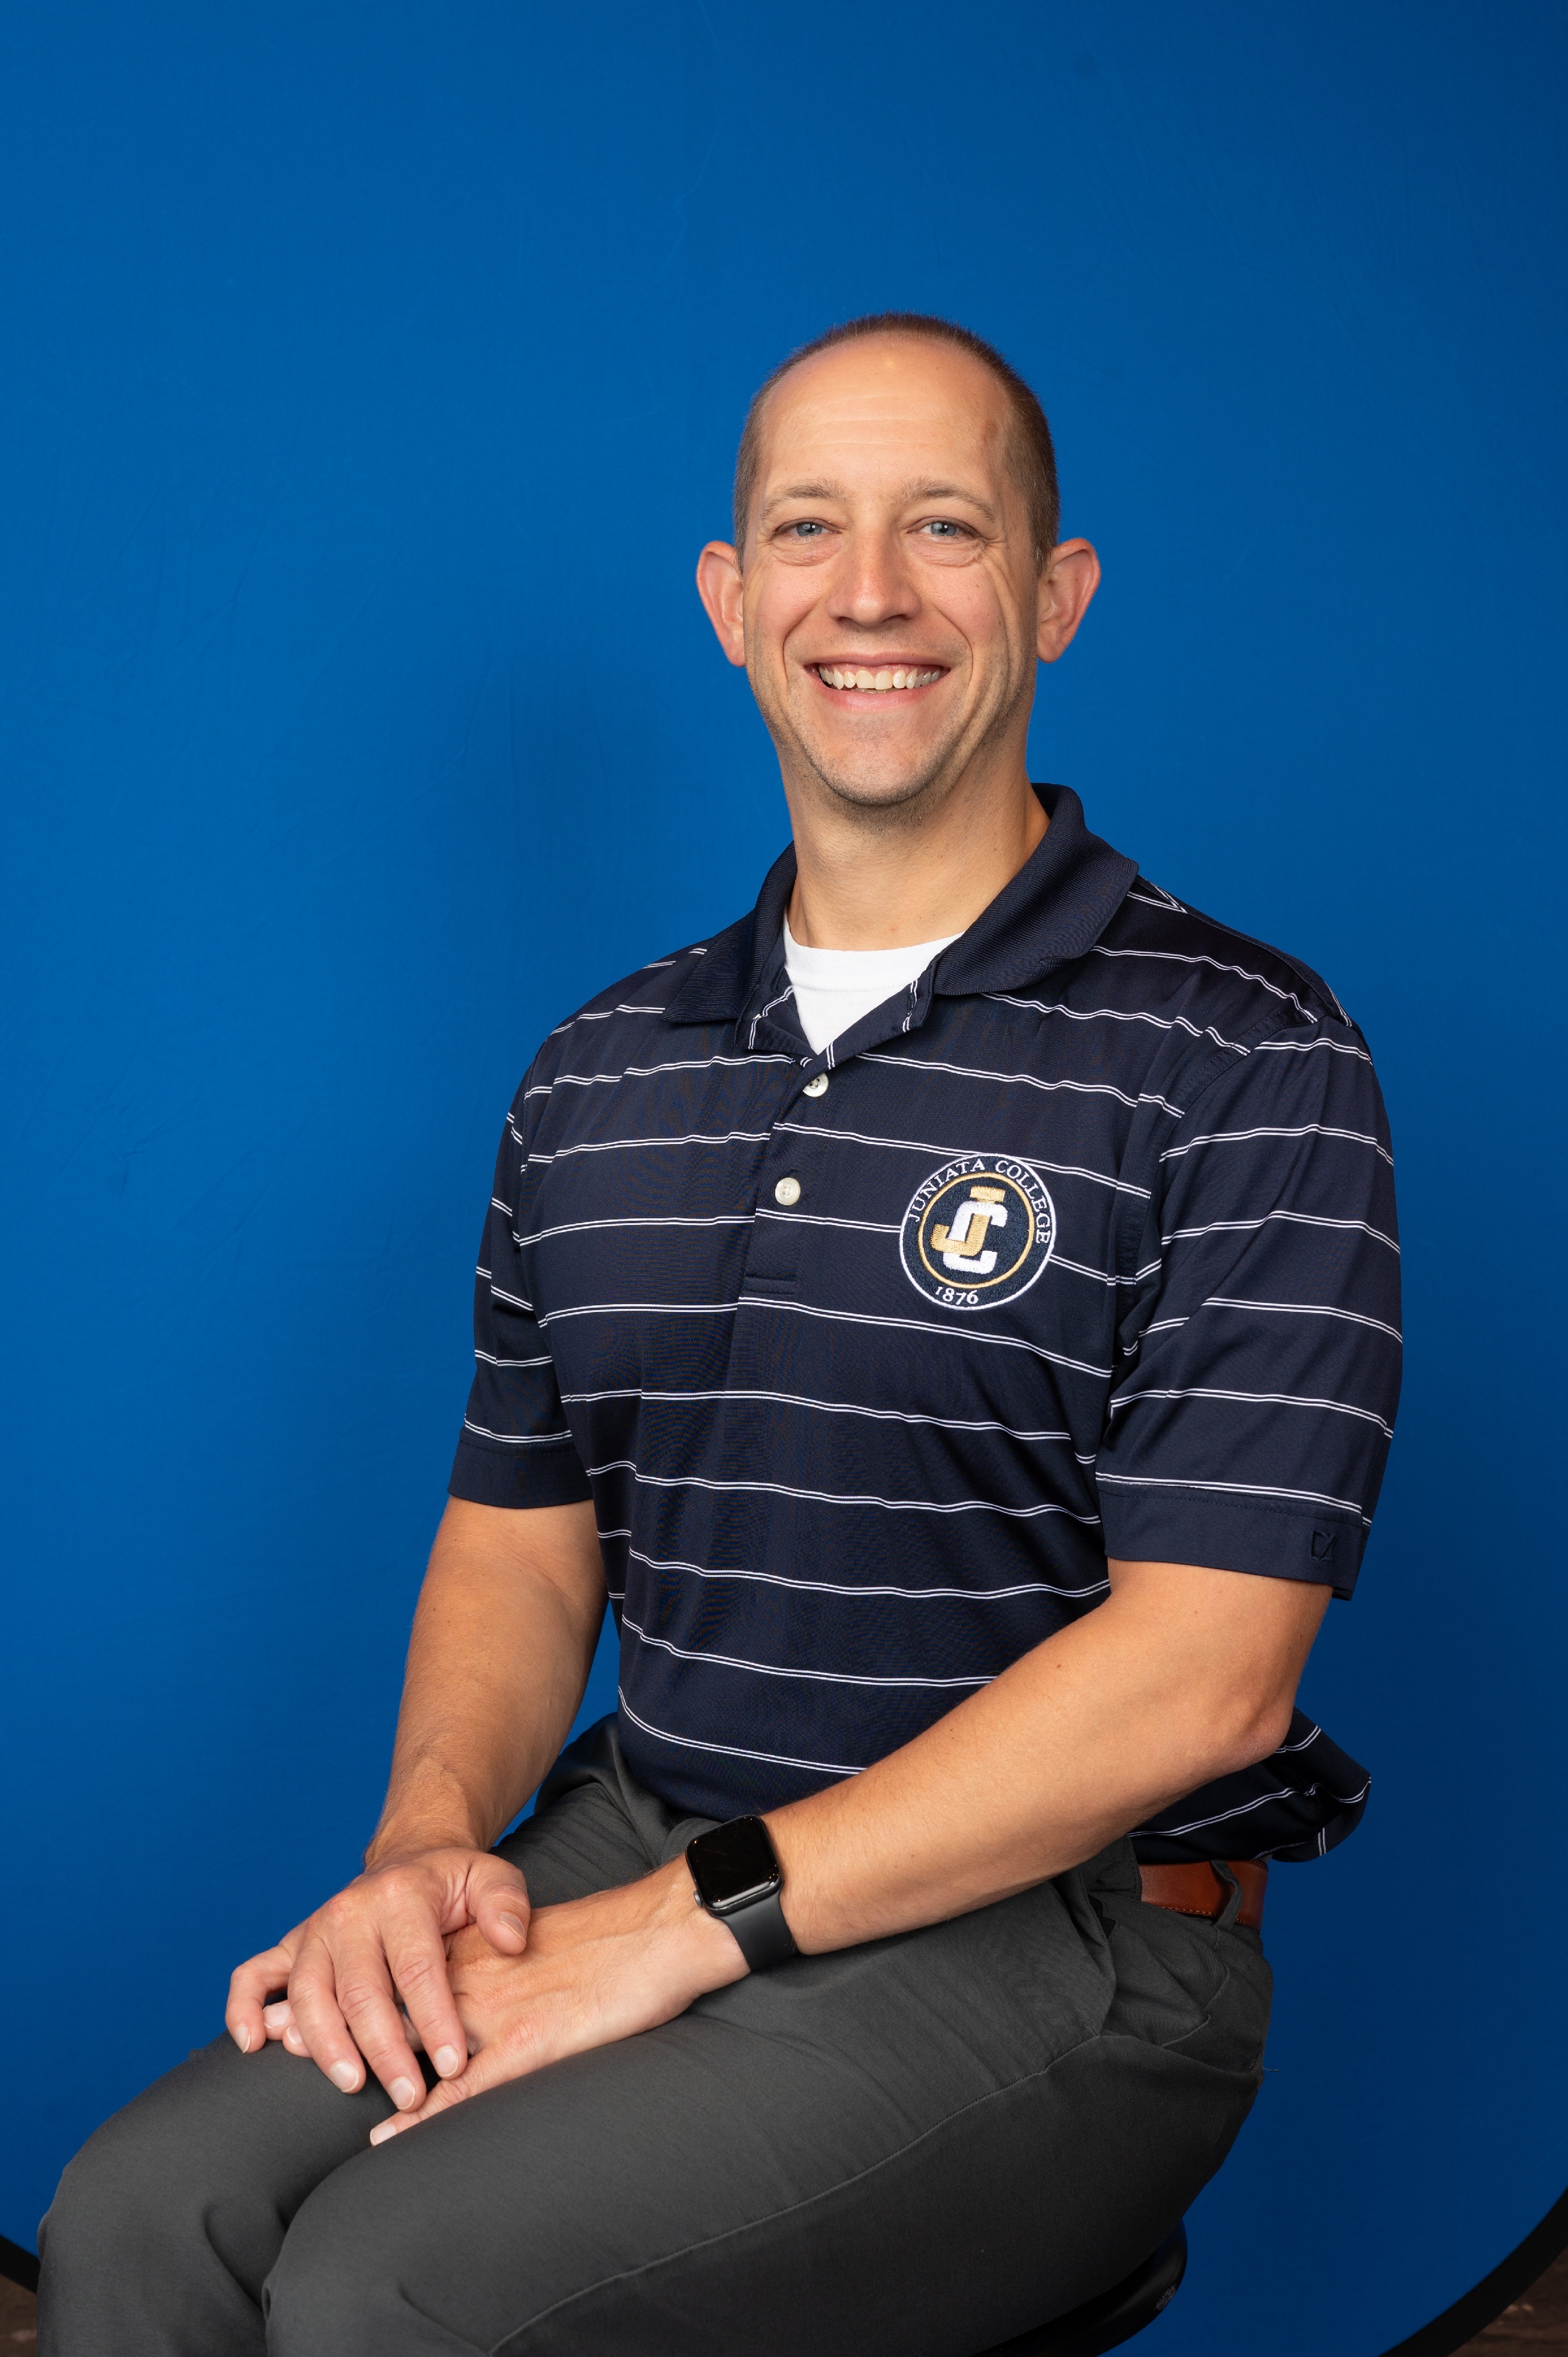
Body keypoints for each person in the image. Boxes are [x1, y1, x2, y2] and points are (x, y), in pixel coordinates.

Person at [38, 313, 1400, 2357]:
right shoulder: (600, 1072)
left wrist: (677, 1932)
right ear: (732, 599)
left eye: (945, 527)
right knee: (144, 2217)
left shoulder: (1243, 1052)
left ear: (1055, 594)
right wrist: (426, 1849)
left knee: (388, 2287)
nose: (872, 593)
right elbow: (523, 1547)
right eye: (809, 529)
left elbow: (1208, 1680)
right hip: (648, 1823)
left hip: (1076, 1928)